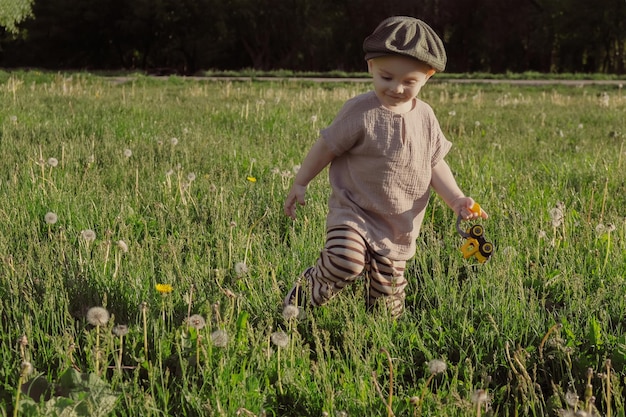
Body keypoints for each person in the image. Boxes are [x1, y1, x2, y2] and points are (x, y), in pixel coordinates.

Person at [282, 16, 488, 318]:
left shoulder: (426, 117)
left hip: (398, 224)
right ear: (371, 67)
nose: (396, 88)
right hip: (353, 212)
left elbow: (435, 163)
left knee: (386, 303)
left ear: (428, 76)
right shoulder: (360, 111)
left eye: (409, 82)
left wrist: (456, 198)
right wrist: (301, 182)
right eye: (386, 77)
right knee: (345, 262)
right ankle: (307, 290)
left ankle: (373, 339)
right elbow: (326, 145)